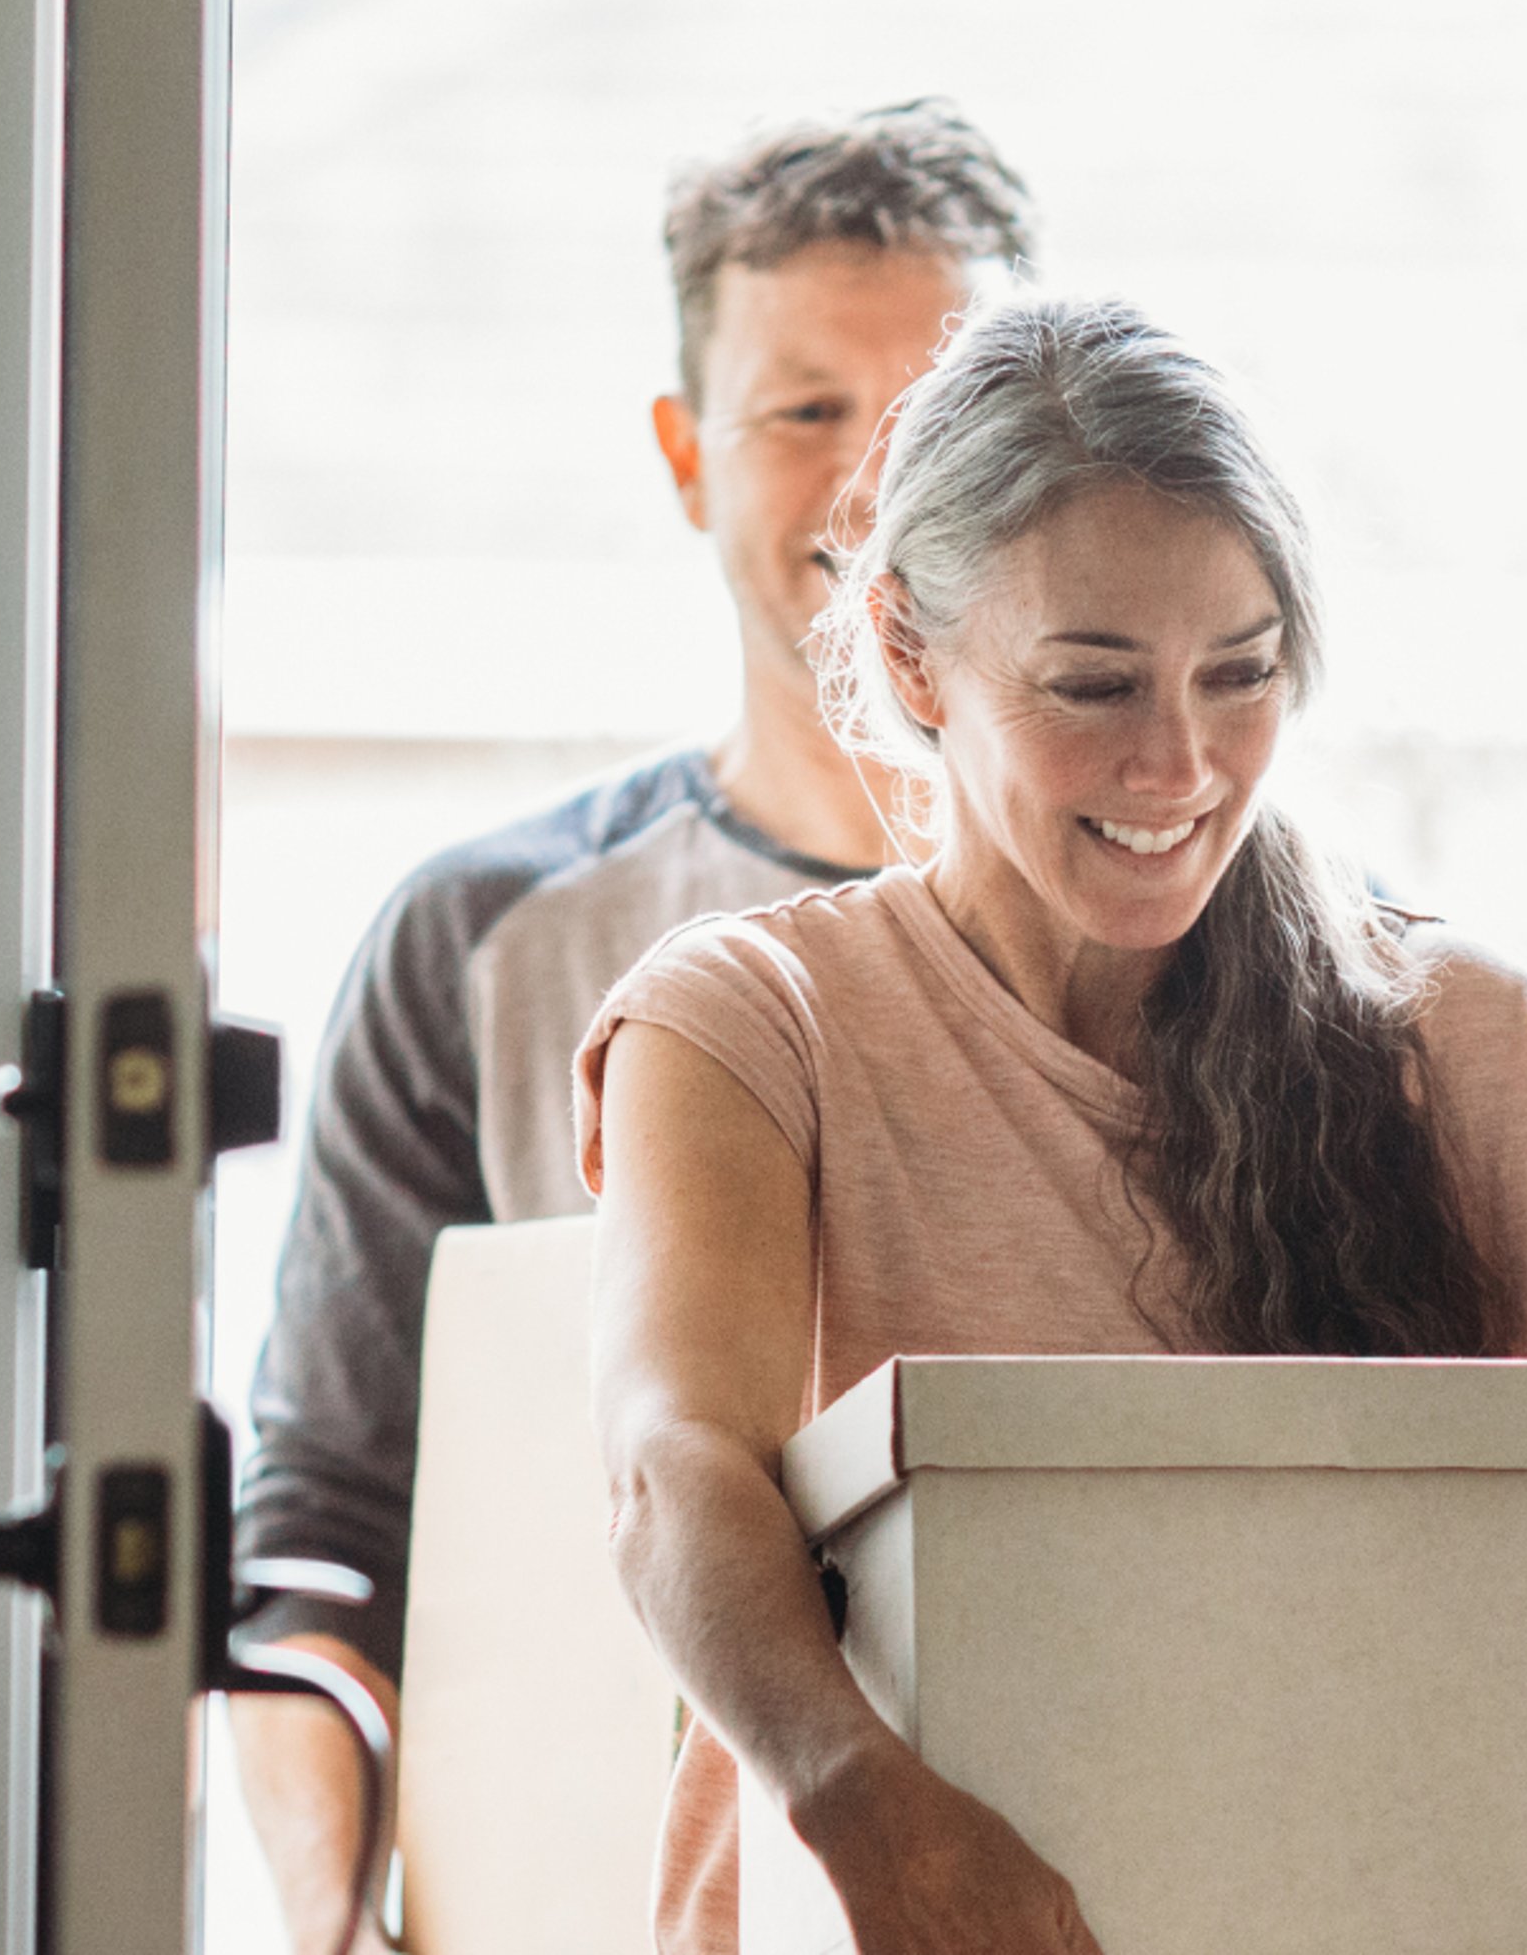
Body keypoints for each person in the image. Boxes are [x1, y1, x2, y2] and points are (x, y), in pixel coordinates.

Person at [578, 296, 1527, 1954]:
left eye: (1241, 676)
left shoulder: (1457, 1040)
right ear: (908, 657)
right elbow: (673, 1473)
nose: (1178, 765)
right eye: (1093, 685)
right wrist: (869, 1810)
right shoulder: (753, 1021)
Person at [229, 101, 1037, 1953]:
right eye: (804, 410)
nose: (875, 485)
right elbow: (325, 1539)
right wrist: (334, 1925)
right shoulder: (483, 949)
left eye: (938, 411)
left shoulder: (1220, 959)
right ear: (687, 456)